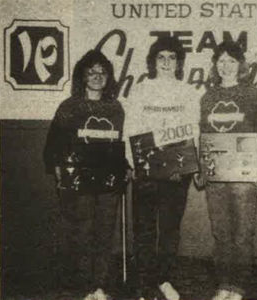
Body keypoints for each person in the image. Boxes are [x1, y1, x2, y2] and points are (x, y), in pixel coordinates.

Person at [122, 36, 200, 300]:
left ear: (179, 63)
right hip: (146, 168)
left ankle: (165, 280)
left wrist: (194, 164)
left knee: (169, 228)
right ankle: (144, 285)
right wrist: (131, 163)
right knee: (144, 228)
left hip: (177, 169)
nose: (166, 62)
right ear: (153, 62)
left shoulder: (188, 91)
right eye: (161, 57)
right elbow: (130, 128)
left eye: (172, 58)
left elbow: (193, 131)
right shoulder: (141, 90)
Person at [43, 50, 125, 298]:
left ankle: (99, 286)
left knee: (104, 232)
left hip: (108, 180)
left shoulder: (115, 108)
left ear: (109, 77)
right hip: (79, 180)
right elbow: (53, 144)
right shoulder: (69, 107)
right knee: (82, 232)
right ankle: (85, 288)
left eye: (102, 72)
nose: (97, 77)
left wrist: (126, 167)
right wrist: (58, 169)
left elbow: (120, 144)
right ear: (82, 76)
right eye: (91, 72)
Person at [196, 41, 257, 300]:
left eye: (231, 61)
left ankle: (238, 286)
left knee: (242, 232)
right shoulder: (208, 96)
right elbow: (203, 135)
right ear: (215, 65)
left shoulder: (252, 94)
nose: (225, 66)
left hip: (243, 175)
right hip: (216, 174)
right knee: (221, 231)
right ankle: (224, 284)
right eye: (221, 61)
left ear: (240, 66)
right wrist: (200, 165)